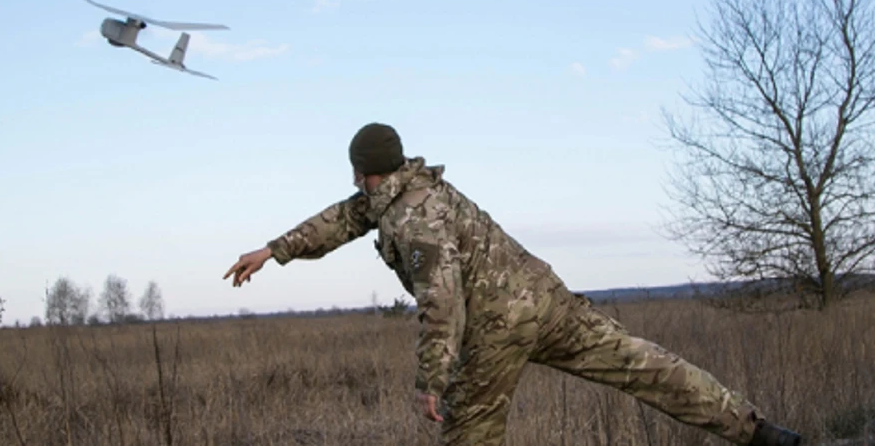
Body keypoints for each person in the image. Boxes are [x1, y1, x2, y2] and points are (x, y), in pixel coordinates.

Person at [223, 122, 802, 446]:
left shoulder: (412, 219)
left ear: (360, 169)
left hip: (497, 326)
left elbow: (442, 302)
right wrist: (274, 250)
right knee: (643, 365)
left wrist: (431, 380)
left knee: (467, 435)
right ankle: (757, 433)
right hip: (545, 300)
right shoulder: (408, 189)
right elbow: (343, 219)